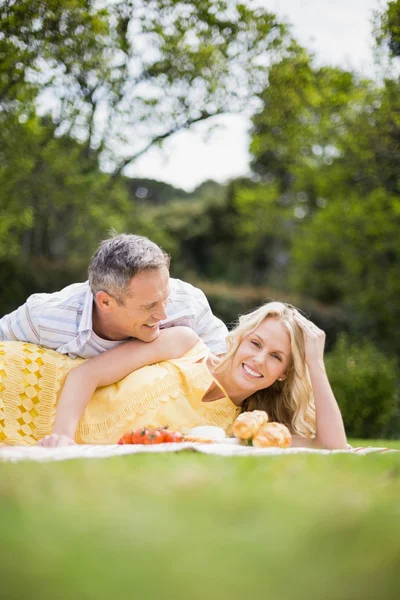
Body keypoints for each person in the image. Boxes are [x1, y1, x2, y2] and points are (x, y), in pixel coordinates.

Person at [0, 302, 347, 450]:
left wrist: (316, 362)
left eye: (276, 357)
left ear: (284, 373)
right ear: (241, 338)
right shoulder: (186, 345)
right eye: (255, 343)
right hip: (32, 380)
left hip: (40, 438)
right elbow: (85, 375)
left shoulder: (244, 429)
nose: (258, 359)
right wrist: (62, 441)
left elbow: (332, 446)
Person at [0, 233, 228, 358]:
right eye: (149, 306)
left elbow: (226, 363)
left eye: (165, 297)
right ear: (105, 302)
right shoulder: (44, 317)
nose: (163, 314)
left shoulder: (189, 303)